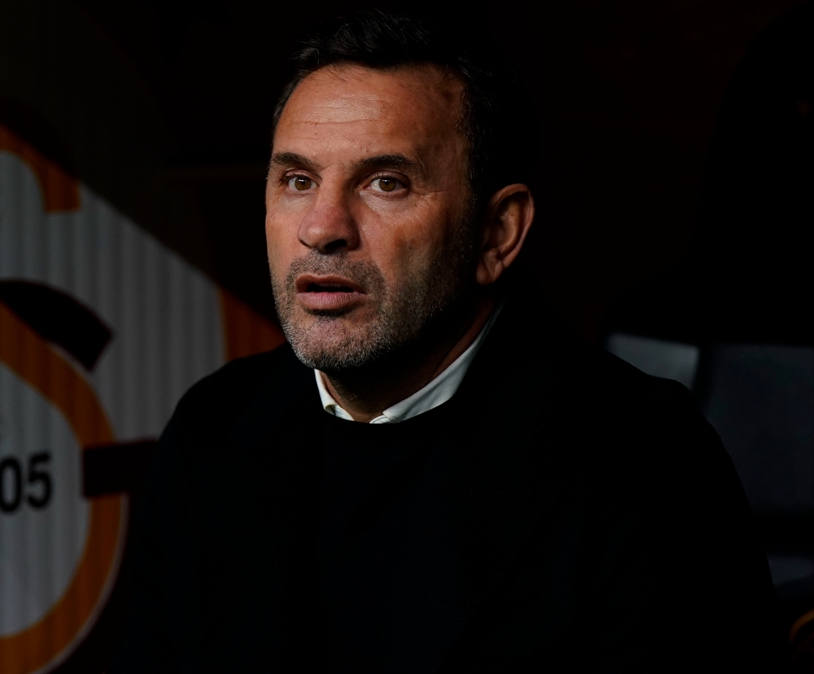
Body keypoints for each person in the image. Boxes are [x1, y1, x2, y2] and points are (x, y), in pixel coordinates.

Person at [111, 10, 780, 672]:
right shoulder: (212, 430)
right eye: (298, 180)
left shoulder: (646, 465)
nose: (321, 227)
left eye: (386, 183)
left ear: (497, 234)